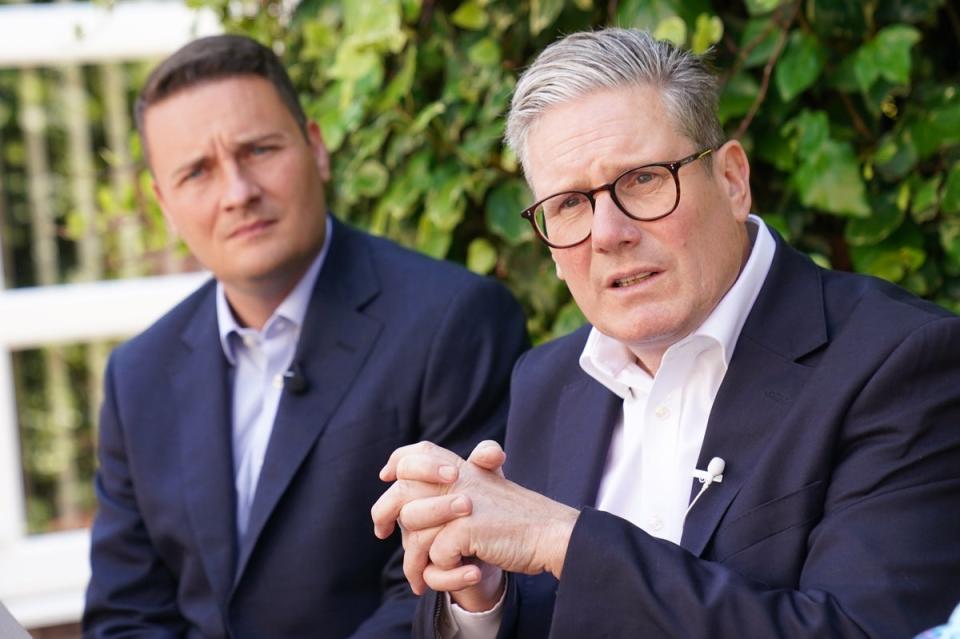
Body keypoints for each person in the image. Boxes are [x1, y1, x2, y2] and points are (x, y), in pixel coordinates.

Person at [372, 28, 960, 638]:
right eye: (570, 204)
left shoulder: (901, 362)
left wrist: (562, 541)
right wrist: (481, 598)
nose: (607, 233)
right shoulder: (546, 381)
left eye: (643, 179)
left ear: (733, 180)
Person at [83, 34, 528, 638]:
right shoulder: (138, 374)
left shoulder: (454, 322)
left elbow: (433, 590)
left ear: (315, 148)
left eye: (259, 149)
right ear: (164, 204)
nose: (237, 193)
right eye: (197, 172)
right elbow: (127, 614)